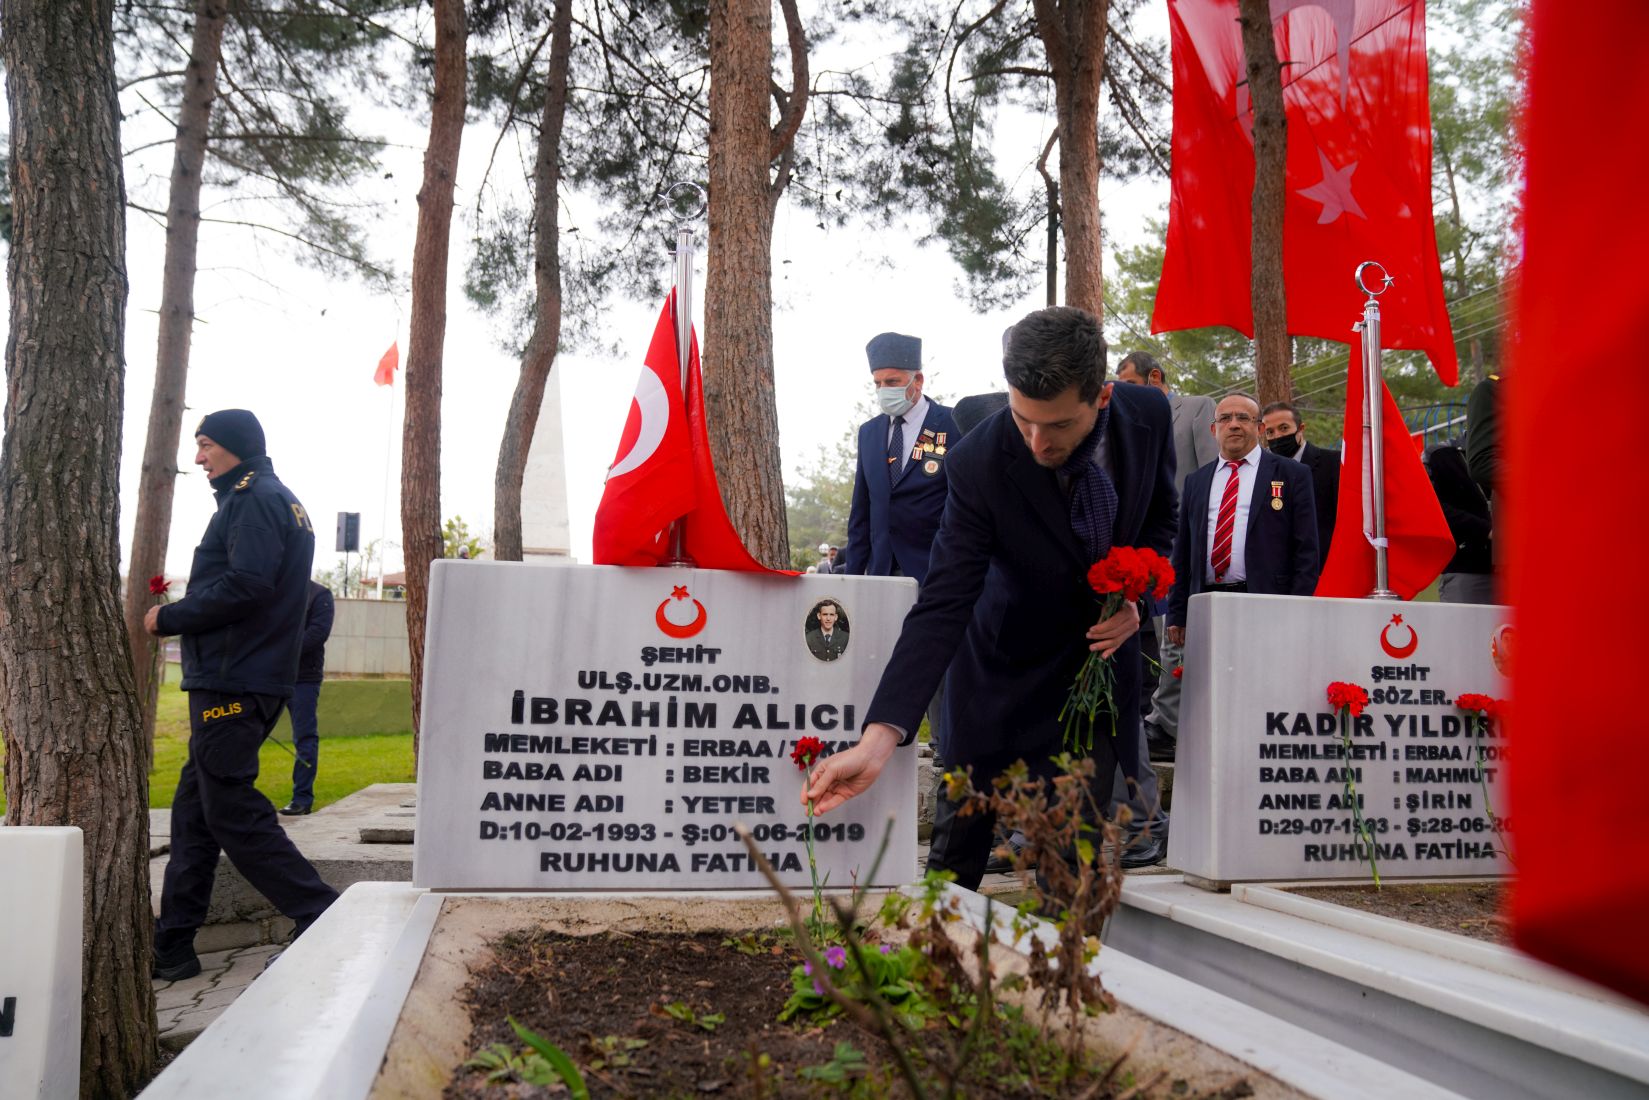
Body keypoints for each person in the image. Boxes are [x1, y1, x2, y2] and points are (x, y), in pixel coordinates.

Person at [804, 307, 1178, 889]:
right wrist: (880, 741)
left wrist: (1137, 599)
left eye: (1056, 426)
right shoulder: (977, 462)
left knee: (1070, 862)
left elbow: (1161, 521)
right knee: (960, 846)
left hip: (1095, 676)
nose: (1035, 441)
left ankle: (1058, 967)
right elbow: (944, 601)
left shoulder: (1149, 416)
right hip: (1002, 665)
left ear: (1102, 398)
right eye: (1023, 418)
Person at [145, 409, 339, 981]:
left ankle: (322, 914)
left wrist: (169, 617)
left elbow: (248, 583)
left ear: (233, 447)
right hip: (247, 677)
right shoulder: (277, 500)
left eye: (204, 445)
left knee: (230, 811)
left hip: (235, 680)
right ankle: (174, 946)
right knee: (194, 816)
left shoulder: (254, 500)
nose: (199, 457)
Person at [843, 331, 958, 759]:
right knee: (884, 658)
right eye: (877, 383)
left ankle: (947, 748)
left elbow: (961, 502)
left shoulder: (950, 424)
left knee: (936, 661)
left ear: (918, 381)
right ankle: (890, 744)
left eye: (892, 382)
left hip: (935, 568)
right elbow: (863, 510)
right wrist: (857, 577)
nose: (884, 391)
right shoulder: (870, 434)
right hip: (882, 569)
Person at [1113, 351, 1216, 763]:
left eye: (1131, 385)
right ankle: (1153, 716)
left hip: (1184, 543)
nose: (1124, 395)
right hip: (1140, 546)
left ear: (1155, 376)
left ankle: (1167, 723)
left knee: (1175, 635)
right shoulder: (1127, 423)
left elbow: (1212, 473)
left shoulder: (1193, 409)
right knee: (1151, 639)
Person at [1166, 393, 1320, 654]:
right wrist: (1177, 612)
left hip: (1269, 603)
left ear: (1260, 428)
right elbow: (1183, 552)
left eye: (1243, 418)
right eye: (1225, 418)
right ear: (1214, 429)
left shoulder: (1292, 474)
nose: (1234, 424)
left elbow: (1307, 549)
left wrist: (1298, 607)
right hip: (1207, 604)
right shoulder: (1196, 481)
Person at [1260, 400, 1339, 572]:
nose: (1278, 436)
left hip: (1323, 570)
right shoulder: (1260, 472)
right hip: (1277, 574)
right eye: (1270, 432)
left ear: (1301, 428)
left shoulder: (1332, 463)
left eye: (1284, 428)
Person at [280, 580, 334, 816]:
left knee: (304, 737)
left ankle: (302, 798)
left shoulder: (320, 595)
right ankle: (241, 799)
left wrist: (279, 649)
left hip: (303, 679)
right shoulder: (275, 592)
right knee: (250, 733)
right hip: (269, 676)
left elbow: (318, 634)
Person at [1424, 443, 1495, 604]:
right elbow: (1431, 506)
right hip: (1469, 571)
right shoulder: (1441, 455)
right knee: (1464, 626)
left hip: (1520, 573)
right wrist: (1486, 530)